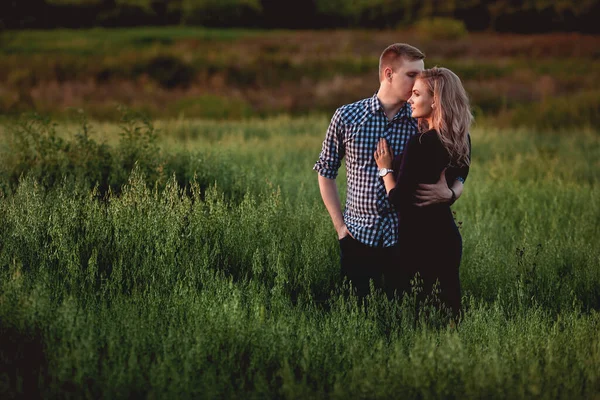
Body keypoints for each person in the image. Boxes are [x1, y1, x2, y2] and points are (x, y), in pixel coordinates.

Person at [314, 44, 466, 299]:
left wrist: (452, 192)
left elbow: (461, 158)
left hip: (407, 239)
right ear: (388, 74)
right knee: (356, 313)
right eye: (411, 75)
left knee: (403, 314)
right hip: (359, 236)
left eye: (420, 74)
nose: (418, 81)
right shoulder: (347, 117)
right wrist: (340, 227)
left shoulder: (423, 118)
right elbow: (325, 171)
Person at [374, 67, 472, 315]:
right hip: (447, 239)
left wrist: (386, 170)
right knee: (449, 311)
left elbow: (398, 200)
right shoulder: (461, 137)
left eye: (416, 94)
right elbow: (462, 173)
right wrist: (452, 193)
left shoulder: (419, 143)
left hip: (418, 243)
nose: (409, 100)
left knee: (416, 314)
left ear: (435, 100)